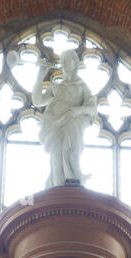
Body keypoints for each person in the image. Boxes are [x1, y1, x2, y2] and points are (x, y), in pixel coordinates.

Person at [32, 49, 98, 187]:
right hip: (54, 125)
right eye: (63, 61)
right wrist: (39, 76)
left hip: (72, 123)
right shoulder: (56, 87)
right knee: (56, 156)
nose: (64, 63)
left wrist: (78, 110)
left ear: (75, 63)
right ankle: (57, 187)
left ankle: (74, 182)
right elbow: (37, 101)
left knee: (70, 151)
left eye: (68, 60)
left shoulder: (81, 86)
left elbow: (92, 109)